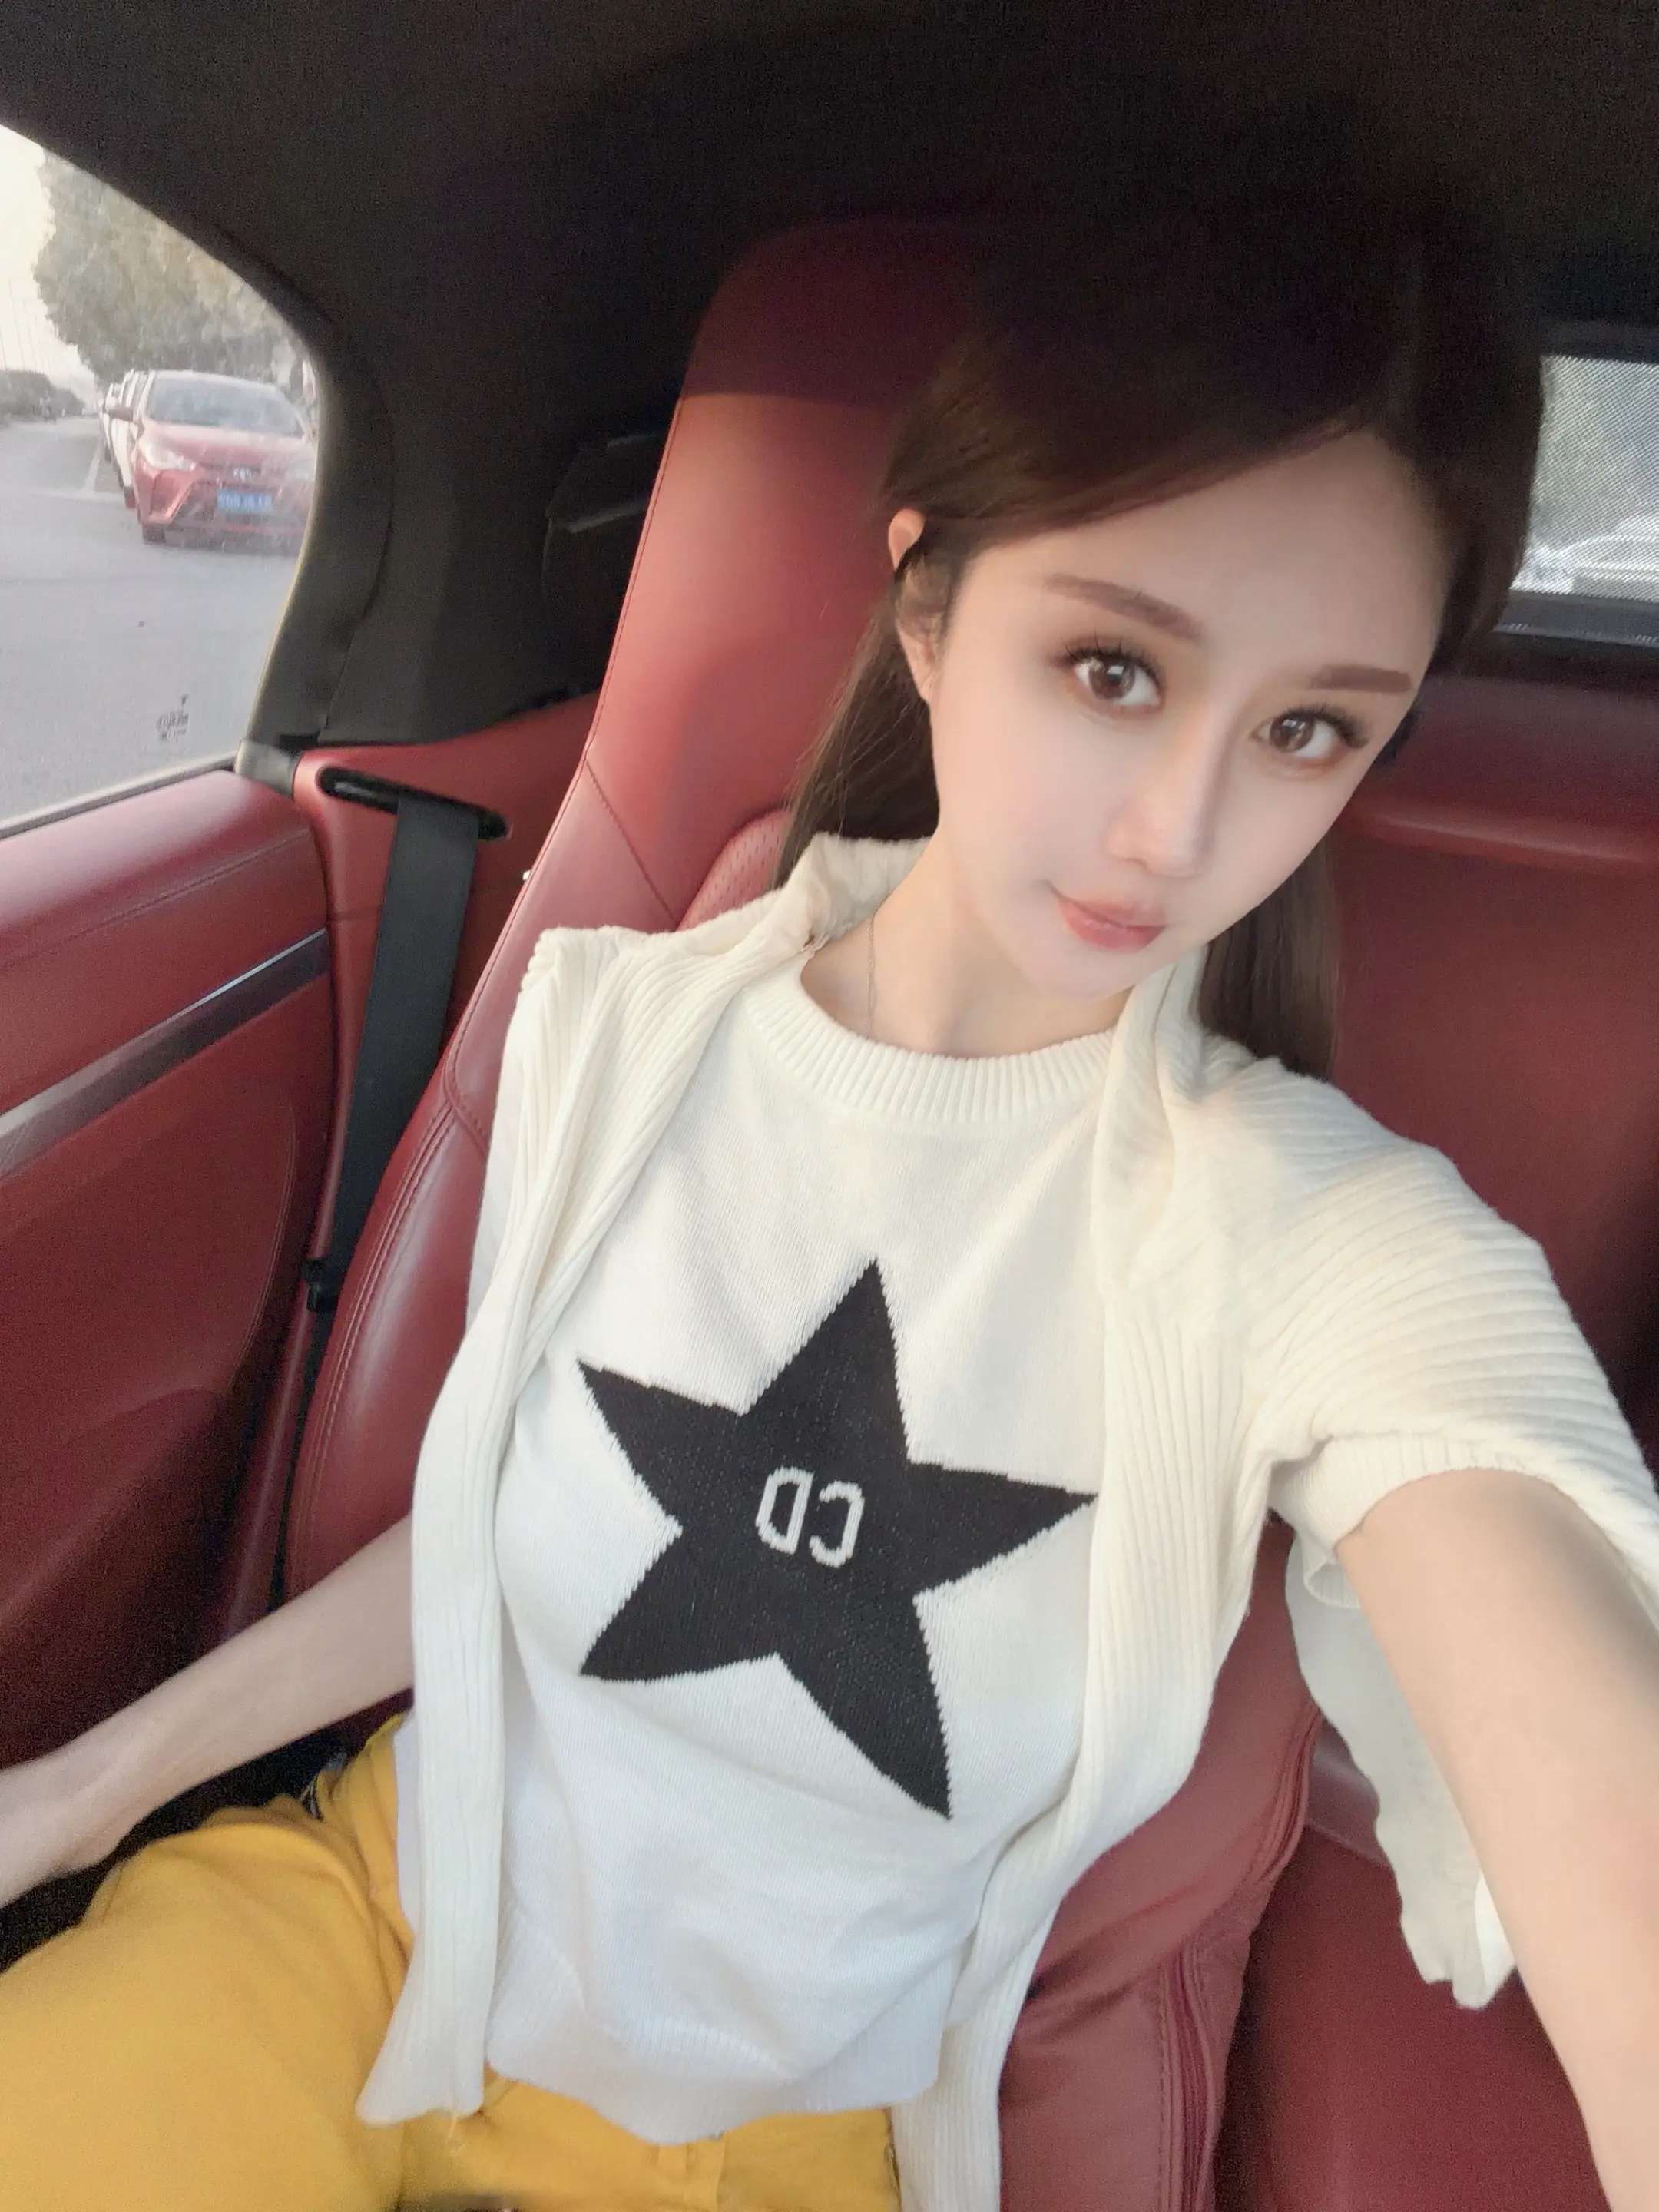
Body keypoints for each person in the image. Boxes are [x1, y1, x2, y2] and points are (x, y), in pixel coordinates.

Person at [4, 125, 1659, 2212]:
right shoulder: (622, 1027)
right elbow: (501, 1541)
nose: (1180, 830)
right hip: (355, 1933)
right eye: (1115, 668)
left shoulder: (1303, 1235)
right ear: (931, 606)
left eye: (1310, 729)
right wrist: (77, 1795)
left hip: (768, 2143)